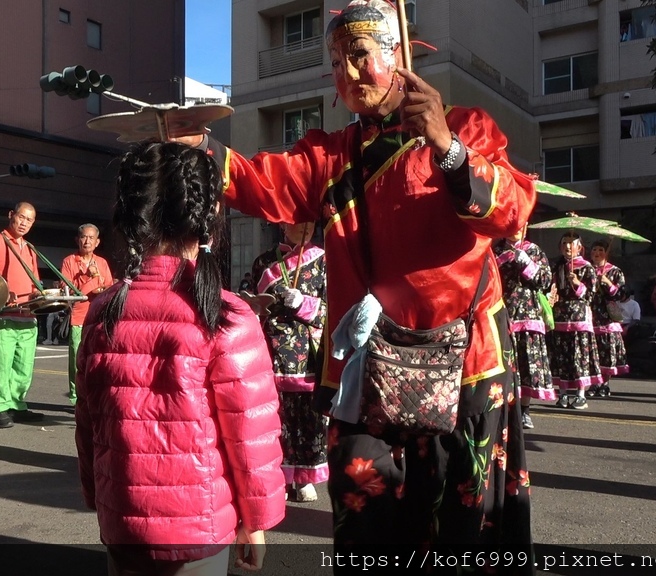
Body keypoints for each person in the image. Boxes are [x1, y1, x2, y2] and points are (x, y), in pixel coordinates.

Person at [180, 0, 536, 565]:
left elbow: (511, 212)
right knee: (368, 517)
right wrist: (195, 145)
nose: (347, 74)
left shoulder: (468, 128)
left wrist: (446, 148)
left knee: (461, 523)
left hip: (465, 360)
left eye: (360, 56)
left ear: (400, 57)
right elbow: (258, 181)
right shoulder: (330, 154)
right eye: (336, 61)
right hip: (366, 368)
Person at [75, 141, 286, 573]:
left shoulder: (101, 312)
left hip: (122, 521)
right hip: (201, 526)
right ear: (207, 219)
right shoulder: (226, 315)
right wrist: (257, 523)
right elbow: (251, 436)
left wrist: (97, 495)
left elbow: (89, 423)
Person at [250, 221, 328, 502]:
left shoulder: (322, 261)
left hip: (307, 353)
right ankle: (278, 475)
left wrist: (305, 303)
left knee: (308, 418)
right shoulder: (264, 262)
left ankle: (304, 478)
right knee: (276, 419)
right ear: (283, 224)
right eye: (298, 223)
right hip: (272, 350)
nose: (306, 227)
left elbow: (332, 308)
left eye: (309, 222)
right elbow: (249, 298)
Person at [0, 202, 43, 428]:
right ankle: (0, 408)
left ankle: (16, 404)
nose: (24, 223)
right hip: (2, 316)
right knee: (0, 365)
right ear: (10, 215)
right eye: (21, 217)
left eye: (29, 220)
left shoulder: (29, 247)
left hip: (27, 315)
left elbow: (34, 282)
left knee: (24, 366)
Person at [494, 225, 554, 430]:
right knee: (505, 364)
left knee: (528, 365)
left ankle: (525, 410)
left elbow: (545, 281)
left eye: (519, 224)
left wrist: (527, 263)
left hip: (528, 315)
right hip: (503, 313)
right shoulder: (494, 250)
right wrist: (502, 261)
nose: (515, 229)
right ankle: (505, 409)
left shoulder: (534, 251)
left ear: (525, 226)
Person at [59, 223, 113, 407]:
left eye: (91, 238)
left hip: (99, 317)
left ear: (97, 242)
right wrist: (91, 280)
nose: (87, 241)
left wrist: (99, 287)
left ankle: (95, 396)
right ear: (77, 239)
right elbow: (70, 292)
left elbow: (109, 288)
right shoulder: (69, 261)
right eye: (83, 237)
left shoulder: (102, 263)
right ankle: (77, 397)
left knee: (98, 359)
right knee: (77, 360)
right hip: (79, 318)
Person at [548, 232, 602, 409]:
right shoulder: (556, 266)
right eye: (565, 243)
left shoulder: (587, 267)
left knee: (580, 356)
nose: (568, 247)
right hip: (559, 316)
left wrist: (578, 284)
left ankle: (580, 394)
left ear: (580, 247)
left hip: (579, 317)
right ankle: (562, 393)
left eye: (572, 243)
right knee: (561, 356)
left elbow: (592, 295)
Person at [588, 240, 629, 396]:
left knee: (606, 352)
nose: (597, 253)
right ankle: (593, 383)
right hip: (590, 314)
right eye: (594, 249)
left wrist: (608, 283)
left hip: (607, 317)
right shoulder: (586, 269)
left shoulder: (615, 272)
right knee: (592, 352)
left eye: (600, 250)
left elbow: (621, 294)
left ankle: (604, 383)